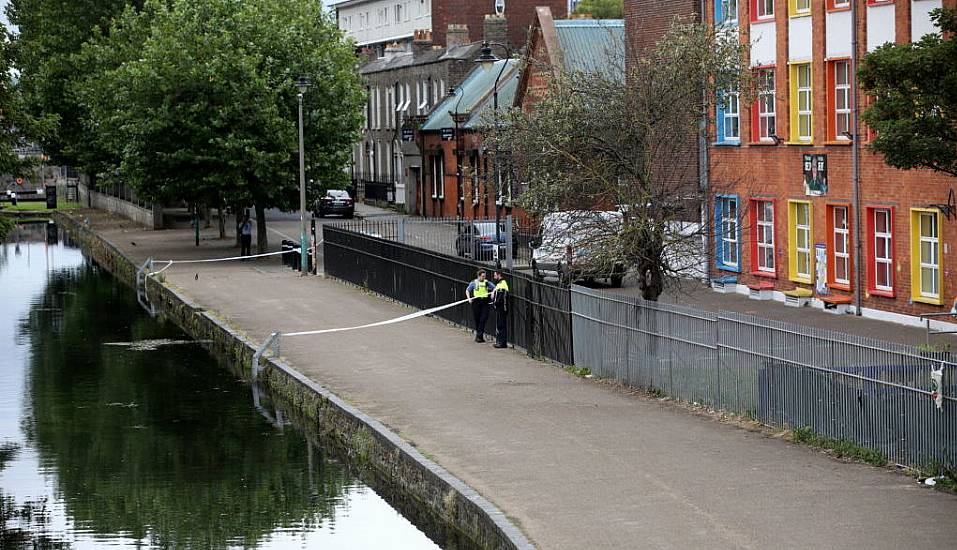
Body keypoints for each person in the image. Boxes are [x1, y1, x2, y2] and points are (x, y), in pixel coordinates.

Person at [465, 269, 495, 343]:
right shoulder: (474, 283)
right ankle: (479, 337)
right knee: (477, 320)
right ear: (479, 276)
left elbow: (495, 288)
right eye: (482, 276)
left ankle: (479, 335)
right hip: (476, 302)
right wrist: (469, 299)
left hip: (485, 302)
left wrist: (492, 293)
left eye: (484, 276)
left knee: (483, 319)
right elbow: (467, 290)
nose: (484, 278)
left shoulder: (487, 283)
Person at [491, 271, 509, 348]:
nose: (494, 277)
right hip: (499, 308)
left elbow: (501, 298)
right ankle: (499, 341)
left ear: (499, 275)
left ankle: (502, 343)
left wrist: (495, 303)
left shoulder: (502, 284)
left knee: (501, 325)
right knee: (499, 325)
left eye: (495, 275)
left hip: (502, 308)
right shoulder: (499, 284)